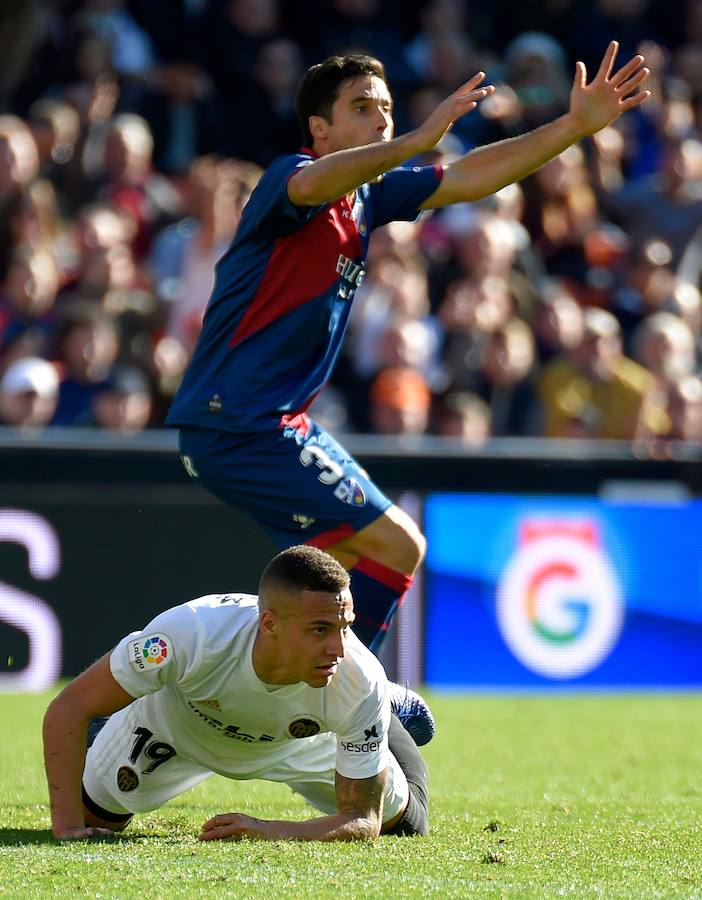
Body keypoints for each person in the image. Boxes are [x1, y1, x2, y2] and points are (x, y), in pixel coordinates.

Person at [165, 46, 649, 677]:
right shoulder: (292, 175)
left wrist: (573, 127)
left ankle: (294, 699)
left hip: (270, 425)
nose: (379, 119)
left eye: (386, 109)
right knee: (393, 545)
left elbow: (474, 175)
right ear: (321, 128)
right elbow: (314, 183)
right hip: (240, 422)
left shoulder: (369, 200)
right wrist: (417, 138)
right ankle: (343, 701)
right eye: (361, 108)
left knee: (375, 560)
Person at [43, 545, 429, 842]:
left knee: (407, 824)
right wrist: (65, 827)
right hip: (175, 730)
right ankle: (115, 724)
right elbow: (70, 707)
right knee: (90, 815)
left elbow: (364, 820)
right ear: (270, 623)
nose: (339, 649)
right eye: (320, 630)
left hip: (301, 743)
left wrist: (269, 829)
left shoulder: (357, 678)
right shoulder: (190, 635)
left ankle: (386, 710)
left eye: (345, 628)